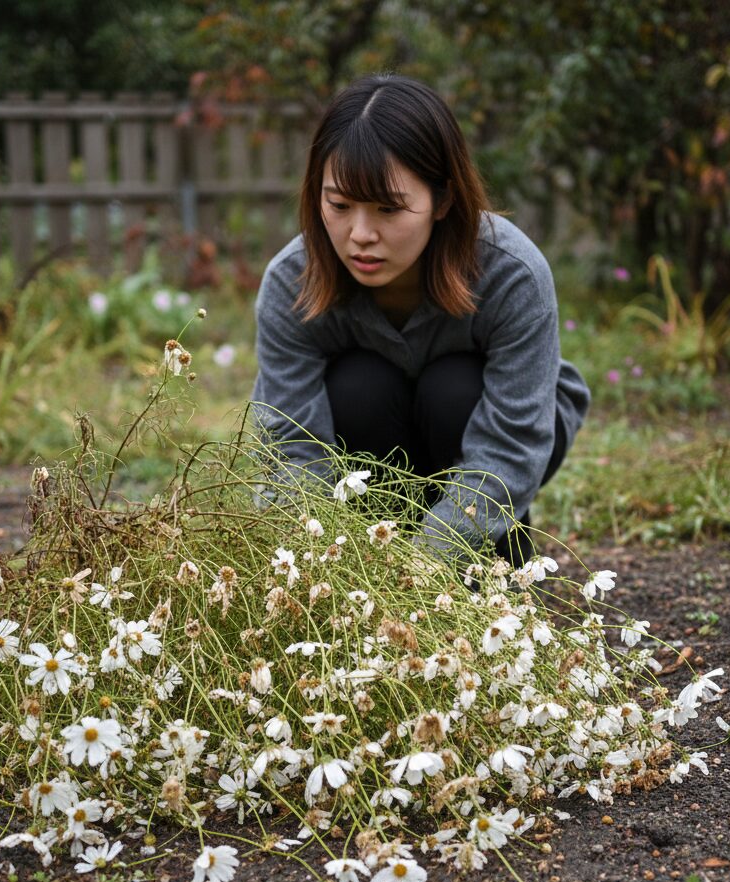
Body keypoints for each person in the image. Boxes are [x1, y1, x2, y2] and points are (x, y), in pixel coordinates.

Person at [250, 73, 590, 566]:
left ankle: (493, 558)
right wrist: (326, 569)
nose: (360, 234)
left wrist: (421, 568)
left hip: (488, 435)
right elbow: (293, 450)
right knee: (357, 386)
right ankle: (372, 545)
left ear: (443, 200)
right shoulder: (292, 283)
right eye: (339, 205)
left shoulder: (512, 274)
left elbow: (513, 444)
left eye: (389, 208)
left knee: (452, 387)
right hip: (371, 449)